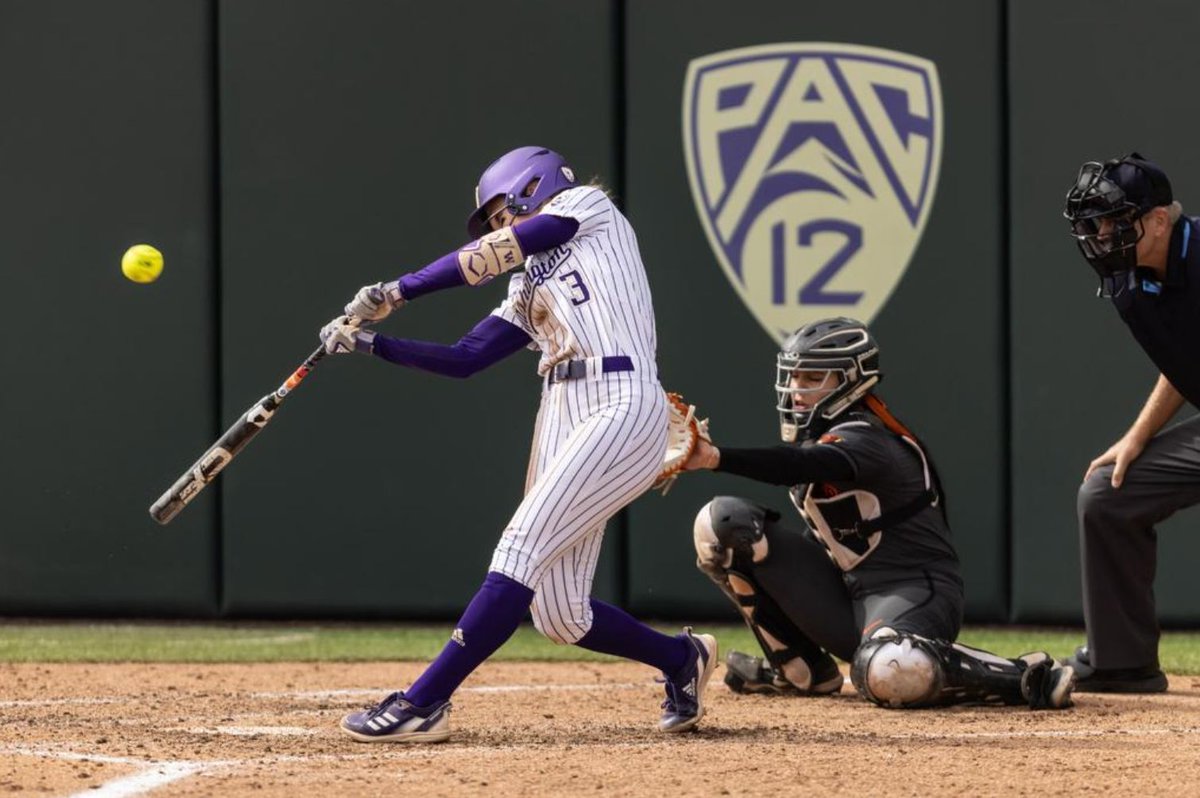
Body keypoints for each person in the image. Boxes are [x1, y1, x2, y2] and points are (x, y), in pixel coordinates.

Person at [319, 146, 716, 742]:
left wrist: (396, 291)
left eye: (502, 210)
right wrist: (372, 343)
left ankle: (423, 702)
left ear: (533, 184)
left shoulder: (587, 207)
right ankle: (681, 660)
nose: (500, 224)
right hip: (559, 407)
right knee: (559, 614)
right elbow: (464, 359)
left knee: (520, 547)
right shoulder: (528, 287)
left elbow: (488, 256)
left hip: (620, 394)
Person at [679, 317, 1075, 710]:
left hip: (914, 592)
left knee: (889, 668)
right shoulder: (821, 436)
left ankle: (1025, 675)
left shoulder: (866, 436)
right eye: (795, 377)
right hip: (849, 593)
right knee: (721, 524)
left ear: (851, 381)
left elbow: (799, 465)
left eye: (813, 378)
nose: (797, 391)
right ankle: (801, 670)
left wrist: (716, 457)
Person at [1062, 152, 1199, 693]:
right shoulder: (1132, 279)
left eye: (1113, 220)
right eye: (1093, 223)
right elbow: (1185, 362)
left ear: (1159, 221)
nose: (1099, 235)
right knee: (1107, 494)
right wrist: (1136, 437)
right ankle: (1122, 661)